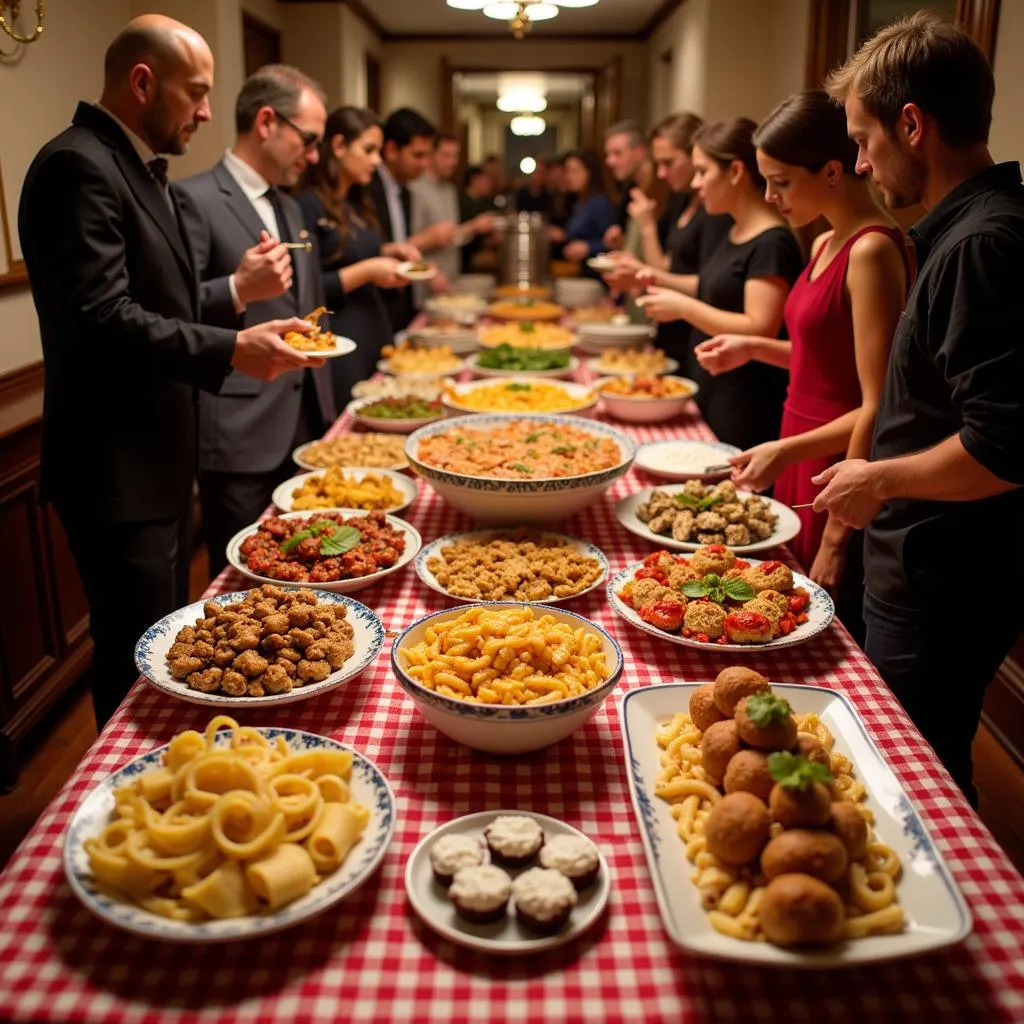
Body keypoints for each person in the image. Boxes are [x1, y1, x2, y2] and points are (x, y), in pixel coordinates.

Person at [18, 15, 319, 728]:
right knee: (136, 657)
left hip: (152, 456)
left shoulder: (132, 165)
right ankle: (129, 805)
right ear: (142, 81)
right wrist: (229, 349)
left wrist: (240, 304)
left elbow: (169, 304)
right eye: (198, 93)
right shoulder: (77, 164)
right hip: (114, 465)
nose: (209, 112)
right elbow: (101, 317)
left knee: (158, 646)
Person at [813, 13, 1024, 804]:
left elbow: (1005, 446)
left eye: (864, 139)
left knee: (919, 782)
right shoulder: (960, 232)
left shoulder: (983, 244)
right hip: (921, 565)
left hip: (946, 577)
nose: (861, 161)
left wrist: (878, 479)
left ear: (913, 123)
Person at [691, 92, 909, 644]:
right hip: (798, 439)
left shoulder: (871, 250)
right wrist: (755, 349)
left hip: (838, 461)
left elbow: (875, 401)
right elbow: (823, 360)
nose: (769, 196)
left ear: (833, 171)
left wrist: (836, 535)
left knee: (822, 629)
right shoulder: (823, 242)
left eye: (781, 182)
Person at [179, 64, 337, 578]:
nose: (314, 156)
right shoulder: (192, 199)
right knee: (249, 581)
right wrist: (237, 290)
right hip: (240, 427)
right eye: (308, 140)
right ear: (267, 121)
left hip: (309, 418)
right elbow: (171, 313)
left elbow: (304, 302)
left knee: (319, 566)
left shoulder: (289, 206)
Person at [636, 119, 804, 451]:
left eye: (703, 172)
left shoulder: (772, 242)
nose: (696, 184)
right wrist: (657, 280)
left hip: (746, 398)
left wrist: (684, 309)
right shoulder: (733, 230)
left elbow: (760, 328)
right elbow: (716, 288)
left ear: (736, 172)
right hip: (715, 387)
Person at [298, 106, 418, 408]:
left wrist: (390, 253)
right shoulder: (307, 205)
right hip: (339, 337)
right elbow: (306, 288)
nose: (377, 161)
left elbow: (350, 251)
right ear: (338, 146)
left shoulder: (356, 203)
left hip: (373, 328)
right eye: (369, 150)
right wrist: (367, 271)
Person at [602, 112, 732, 363]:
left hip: (695, 338)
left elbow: (707, 285)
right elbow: (665, 268)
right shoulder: (681, 201)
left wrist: (648, 229)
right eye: (658, 163)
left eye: (669, 162)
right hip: (671, 333)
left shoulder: (715, 212)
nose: (661, 173)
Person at [369, 107, 449, 332]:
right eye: (417, 155)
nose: (425, 164)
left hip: (400, 301)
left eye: (427, 155)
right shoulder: (367, 188)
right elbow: (373, 248)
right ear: (392, 149)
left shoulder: (405, 191)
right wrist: (426, 239)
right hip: (373, 303)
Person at [410, 133, 494, 296]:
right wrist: (428, 272)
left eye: (455, 156)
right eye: (446, 155)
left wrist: (474, 228)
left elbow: (452, 236)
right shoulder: (416, 189)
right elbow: (410, 245)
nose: (453, 162)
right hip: (425, 285)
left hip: (450, 279)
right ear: (431, 155)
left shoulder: (450, 190)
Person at [547, 149, 615, 264]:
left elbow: (612, 243)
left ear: (590, 173)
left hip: (595, 273)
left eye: (575, 171)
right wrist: (563, 235)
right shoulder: (580, 200)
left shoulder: (599, 203)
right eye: (568, 171)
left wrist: (588, 247)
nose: (569, 177)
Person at [602, 120, 653, 253]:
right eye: (608, 154)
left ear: (640, 152)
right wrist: (621, 243)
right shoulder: (628, 190)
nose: (609, 161)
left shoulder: (660, 191)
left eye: (617, 153)